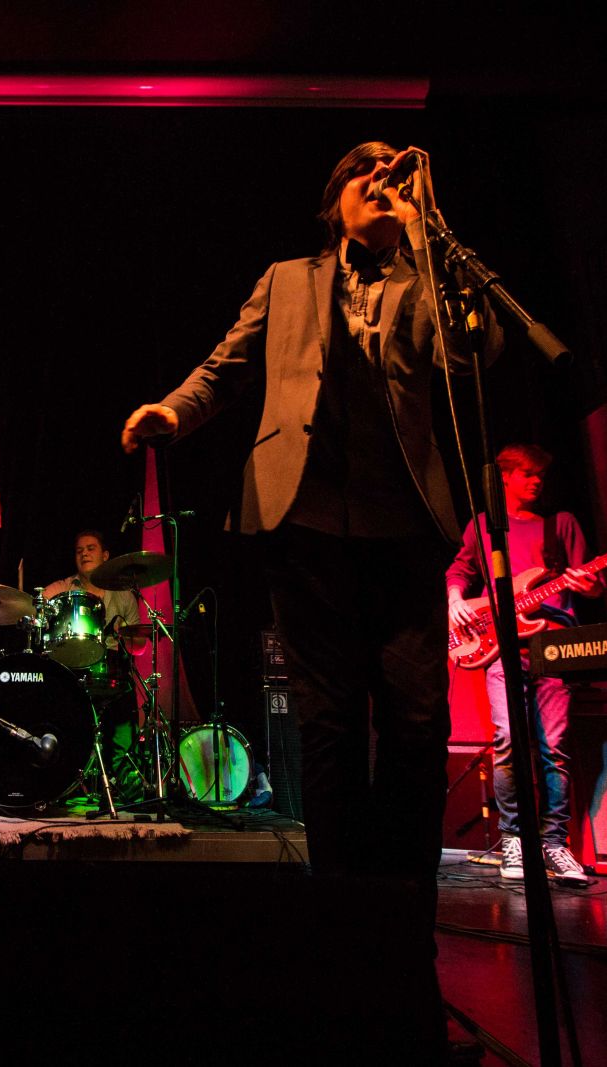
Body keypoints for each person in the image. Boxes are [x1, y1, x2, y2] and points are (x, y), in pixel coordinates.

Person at [121, 141, 502, 994]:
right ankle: (341, 939)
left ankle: (406, 946)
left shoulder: (431, 279)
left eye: (395, 172)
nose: (382, 180)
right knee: (328, 731)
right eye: (365, 171)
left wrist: (431, 235)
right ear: (334, 202)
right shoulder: (287, 278)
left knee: (416, 728)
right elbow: (225, 366)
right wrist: (173, 413)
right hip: (304, 526)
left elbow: (474, 357)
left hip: (404, 529)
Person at [443, 443, 601, 884]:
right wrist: (455, 600)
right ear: (505, 477)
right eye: (528, 474)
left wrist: (585, 585)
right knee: (509, 741)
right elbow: (460, 570)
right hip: (502, 647)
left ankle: (555, 844)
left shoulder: (561, 523)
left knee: (554, 748)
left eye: (540, 476)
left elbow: (593, 583)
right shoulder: (483, 526)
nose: (536, 482)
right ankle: (514, 839)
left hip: (554, 646)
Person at [41, 530, 142, 801]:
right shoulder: (65, 588)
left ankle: (122, 779)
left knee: (125, 703)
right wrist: (37, 605)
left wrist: (127, 635)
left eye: (90, 548)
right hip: (73, 669)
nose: (84, 553)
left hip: (112, 668)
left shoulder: (123, 595)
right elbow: (38, 603)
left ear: (105, 555)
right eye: (79, 550)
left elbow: (139, 646)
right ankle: (67, 776)